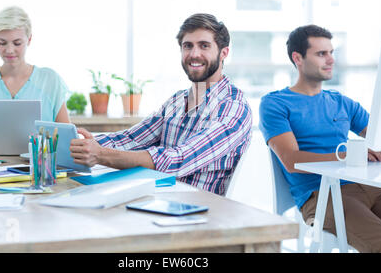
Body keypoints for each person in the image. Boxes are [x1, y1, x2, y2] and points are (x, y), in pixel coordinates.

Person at [69, 13, 252, 195]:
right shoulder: (177, 101)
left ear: (224, 53)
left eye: (204, 46)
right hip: (159, 202)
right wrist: (82, 145)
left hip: (201, 213)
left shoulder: (233, 107)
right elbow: (132, 139)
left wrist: (99, 154)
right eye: (187, 46)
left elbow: (178, 160)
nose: (194, 54)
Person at [259, 24, 381, 252]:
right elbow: (291, 160)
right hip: (321, 196)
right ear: (297, 58)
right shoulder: (275, 104)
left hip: (370, 187)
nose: (330, 60)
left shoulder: (341, 102)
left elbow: (379, 135)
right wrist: (346, 157)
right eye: (321, 54)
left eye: (331, 52)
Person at [0, 6, 70, 123]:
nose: (9, 50)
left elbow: (65, 136)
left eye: (17, 43)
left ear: (29, 40)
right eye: (2, 43)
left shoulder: (49, 81)